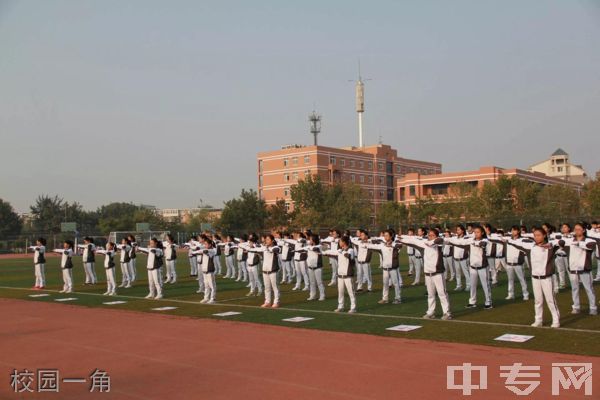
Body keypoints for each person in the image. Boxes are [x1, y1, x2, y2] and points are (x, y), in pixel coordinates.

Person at [505, 227, 560, 328]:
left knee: (550, 300)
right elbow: (516, 243)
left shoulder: (551, 246)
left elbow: (562, 242)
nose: (536, 237)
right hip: (535, 278)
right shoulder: (530, 246)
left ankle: (556, 320)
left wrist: (550, 244)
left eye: (539, 235)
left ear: (544, 235)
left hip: (547, 278)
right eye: (535, 235)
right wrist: (508, 240)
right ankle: (538, 320)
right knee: (538, 300)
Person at [399, 229, 452, 320]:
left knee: (442, 293)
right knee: (431, 294)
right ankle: (431, 312)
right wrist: (401, 239)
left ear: (436, 236)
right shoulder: (424, 243)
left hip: (438, 273)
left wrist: (431, 241)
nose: (430, 237)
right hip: (428, 273)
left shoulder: (439, 244)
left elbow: (440, 240)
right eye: (429, 235)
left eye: (432, 235)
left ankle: (447, 313)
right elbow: (413, 240)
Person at [554, 223, 598, 316]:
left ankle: (593, 307)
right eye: (575, 229)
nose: (576, 230)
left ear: (583, 230)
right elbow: (561, 243)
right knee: (574, 289)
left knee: (589, 289)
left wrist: (578, 243)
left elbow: (591, 245)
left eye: (579, 229)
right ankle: (576, 307)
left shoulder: (589, 240)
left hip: (585, 268)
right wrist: (560, 241)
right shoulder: (570, 240)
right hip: (573, 269)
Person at [446, 225, 492, 309]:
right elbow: (461, 243)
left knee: (485, 285)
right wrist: (449, 241)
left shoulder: (485, 240)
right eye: (475, 232)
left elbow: (482, 244)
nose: (476, 234)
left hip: (483, 267)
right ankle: (472, 302)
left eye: (478, 232)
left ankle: (488, 302)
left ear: (482, 233)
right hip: (473, 266)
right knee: (473, 285)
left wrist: (474, 242)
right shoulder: (471, 240)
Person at [366, 229, 402, 305]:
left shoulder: (395, 244)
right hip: (385, 268)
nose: (385, 237)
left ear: (391, 236)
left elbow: (400, 245)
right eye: (384, 235)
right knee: (385, 284)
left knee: (396, 283)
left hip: (393, 268)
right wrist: (366, 244)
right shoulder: (382, 245)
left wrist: (390, 245)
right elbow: (373, 246)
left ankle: (398, 298)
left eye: (386, 235)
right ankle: (385, 298)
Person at [494, 226, 529, 301]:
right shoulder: (508, 239)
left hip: (518, 264)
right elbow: (498, 238)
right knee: (510, 280)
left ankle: (525, 294)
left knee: (522, 279)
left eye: (515, 230)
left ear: (518, 231)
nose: (513, 232)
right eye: (512, 230)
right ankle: (511, 294)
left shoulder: (522, 240)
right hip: (509, 263)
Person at [323, 236, 357, 313]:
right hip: (340, 275)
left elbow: (348, 256)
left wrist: (342, 252)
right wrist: (323, 253)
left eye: (340, 241)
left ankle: (353, 307)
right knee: (340, 292)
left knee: (351, 292)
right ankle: (340, 306)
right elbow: (331, 252)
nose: (339, 243)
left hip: (348, 275)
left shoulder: (350, 250)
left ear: (344, 242)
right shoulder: (339, 250)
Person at [248, 234, 281, 308]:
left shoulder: (276, 247)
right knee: (267, 288)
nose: (266, 241)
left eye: (268, 239)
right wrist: (250, 248)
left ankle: (276, 302)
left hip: (273, 271)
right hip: (265, 271)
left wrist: (268, 249)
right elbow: (255, 250)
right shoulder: (264, 248)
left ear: (272, 240)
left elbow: (277, 250)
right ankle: (267, 301)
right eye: (266, 239)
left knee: (275, 287)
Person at [296, 234, 326, 301]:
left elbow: (316, 249)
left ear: (314, 240)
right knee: (312, 282)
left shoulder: (319, 246)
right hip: (310, 267)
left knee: (319, 282)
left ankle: (322, 295)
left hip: (318, 267)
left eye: (310, 239)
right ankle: (312, 295)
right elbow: (302, 249)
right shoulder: (309, 246)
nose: (309, 240)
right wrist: (296, 250)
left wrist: (309, 248)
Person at [194, 235, 217, 304]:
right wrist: (194, 252)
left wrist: (195, 252)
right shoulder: (205, 250)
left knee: (212, 285)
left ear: (210, 245)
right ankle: (206, 298)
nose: (205, 245)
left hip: (209, 270)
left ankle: (213, 298)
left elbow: (205, 251)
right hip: (204, 270)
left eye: (206, 244)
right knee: (206, 285)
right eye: (205, 244)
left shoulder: (212, 251)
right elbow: (202, 251)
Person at [452, 225, 470, 292]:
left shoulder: (466, 238)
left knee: (466, 272)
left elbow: (467, 248)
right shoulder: (455, 238)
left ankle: (469, 285)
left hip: (463, 258)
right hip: (456, 258)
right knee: (458, 273)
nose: (457, 231)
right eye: (457, 230)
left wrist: (465, 255)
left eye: (459, 230)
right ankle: (458, 285)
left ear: (462, 230)